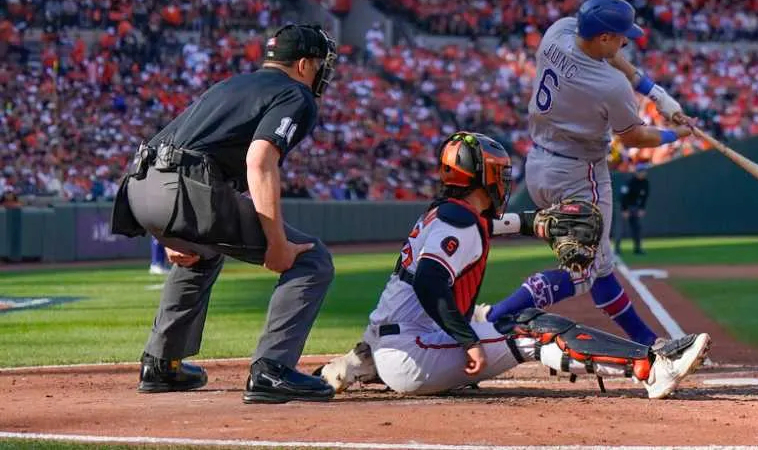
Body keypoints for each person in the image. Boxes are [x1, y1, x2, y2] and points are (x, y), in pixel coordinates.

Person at [315, 132, 710, 399]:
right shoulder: (460, 222)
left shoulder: (446, 214)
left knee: (491, 319)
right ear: (481, 177)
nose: (503, 182)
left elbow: (487, 227)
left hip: (388, 342)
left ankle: (356, 366)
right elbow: (430, 283)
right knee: (531, 328)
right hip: (416, 355)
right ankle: (652, 368)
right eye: (498, 174)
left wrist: (534, 222)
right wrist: (468, 341)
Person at [110, 23, 339, 403]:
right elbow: (260, 160)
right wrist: (276, 244)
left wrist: (169, 232)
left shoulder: (230, 85)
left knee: (201, 252)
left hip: (139, 186)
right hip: (181, 189)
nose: (321, 73)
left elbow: (162, 148)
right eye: (319, 65)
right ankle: (272, 370)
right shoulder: (296, 95)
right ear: (303, 64)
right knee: (311, 259)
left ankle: (161, 363)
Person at [478, 0, 694, 347]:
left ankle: (649, 343)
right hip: (580, 175)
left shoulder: (558, 32)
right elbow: (636, 137)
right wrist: (676, 132)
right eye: (621, 35)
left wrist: (655, 93)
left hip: (538, 166)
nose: (626, 41)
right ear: (605, 37)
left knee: (601, 265)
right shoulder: (610, 86)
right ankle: (493, 316)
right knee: (583, 273)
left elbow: (612, 57)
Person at [616, 165, 650, 255]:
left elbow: (645, 197)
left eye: (644, 171)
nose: (643, 173)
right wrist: (624, 210)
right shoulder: (630, 182)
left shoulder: (645, 183)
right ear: (636, 172)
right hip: (624, 206)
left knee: (637, 228)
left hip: (635, 207)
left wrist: (642, 208)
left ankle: (637, 248)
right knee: (621, 228)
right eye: (641, 171)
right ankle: (617, 248)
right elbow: (623, 196)